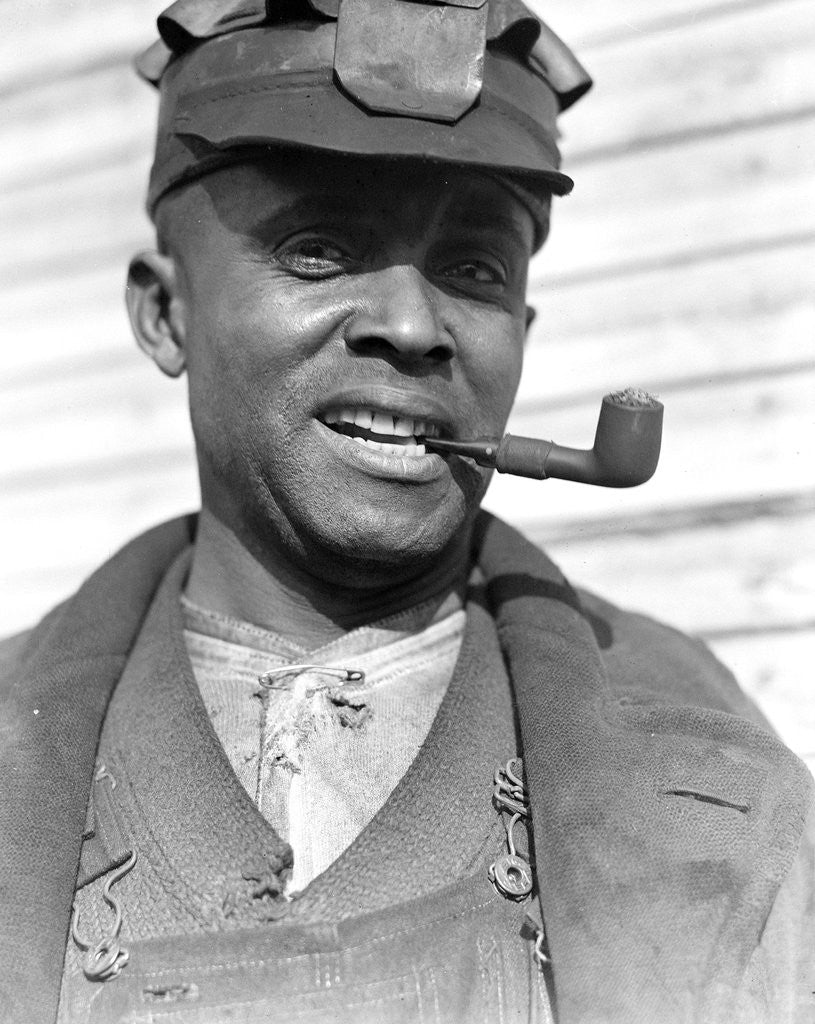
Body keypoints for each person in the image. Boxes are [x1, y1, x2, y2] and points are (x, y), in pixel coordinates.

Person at [1, 2, 812, 1022]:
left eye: (473, 270)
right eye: (316, 249)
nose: (410, 325)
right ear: (165, 314)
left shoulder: (707, 764)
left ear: (520, 328)